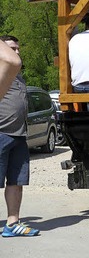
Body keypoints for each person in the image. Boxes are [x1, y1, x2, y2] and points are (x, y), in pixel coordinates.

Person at [0, 36, 39, 237]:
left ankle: (13, 223)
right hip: (0, 134)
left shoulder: (19, 77)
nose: (17, 53)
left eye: (18, 49)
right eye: (12, 49)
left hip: (19, 135)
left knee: (17, 181)